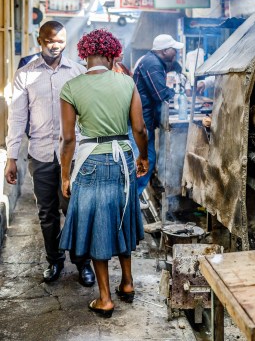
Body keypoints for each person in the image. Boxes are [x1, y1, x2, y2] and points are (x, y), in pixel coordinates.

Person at [58, 29, 149, 318]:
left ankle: (105, 299)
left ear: (85, 55)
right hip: (122, 159)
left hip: (90, 163)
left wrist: (64, 174)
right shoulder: (127, 82)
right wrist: (143, 157)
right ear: (111, 55)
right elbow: (140, 129)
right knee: (121, 217)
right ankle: (128, 283)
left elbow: (69, 139)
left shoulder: (71, 88)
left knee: (99, 224)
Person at [5, 20, 95, 286]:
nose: (55, 46)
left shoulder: (79, 72)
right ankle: (54, 261)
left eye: (60, 41)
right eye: (50, 41)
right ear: (40, 41)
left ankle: (82, 263)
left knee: (76, 210)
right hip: (41, 155)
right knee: (47, 212)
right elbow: (17, 117)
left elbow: (89, 114)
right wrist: (11, 157)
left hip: (76, 156)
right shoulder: (26, 74)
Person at [130, 34, 182, 196]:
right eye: (174, 50)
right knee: (147, 158)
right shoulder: (152, 64)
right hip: (142, 119)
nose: (176, 53)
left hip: (145, 118)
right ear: (165, 51)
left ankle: (135, 194)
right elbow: (160, 94)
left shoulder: (152, 61)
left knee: (147, 157)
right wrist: (178, 94)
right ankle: (134, 195)